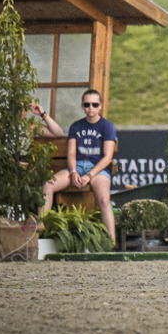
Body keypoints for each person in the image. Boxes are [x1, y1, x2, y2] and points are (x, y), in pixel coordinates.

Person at [42, 89, 117, 240]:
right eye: (87, 104)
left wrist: (89, 175)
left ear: (100, 106)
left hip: (97, 169)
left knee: (103, 199)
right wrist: (74, 172)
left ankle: (111, 240)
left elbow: (107, 157)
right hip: (78, 166)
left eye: (95, 104)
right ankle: (41, 227)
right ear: (82, 106)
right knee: (48, 185)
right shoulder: (76, 126)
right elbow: (71, 154)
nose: (91, 108)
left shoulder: (107, 126)